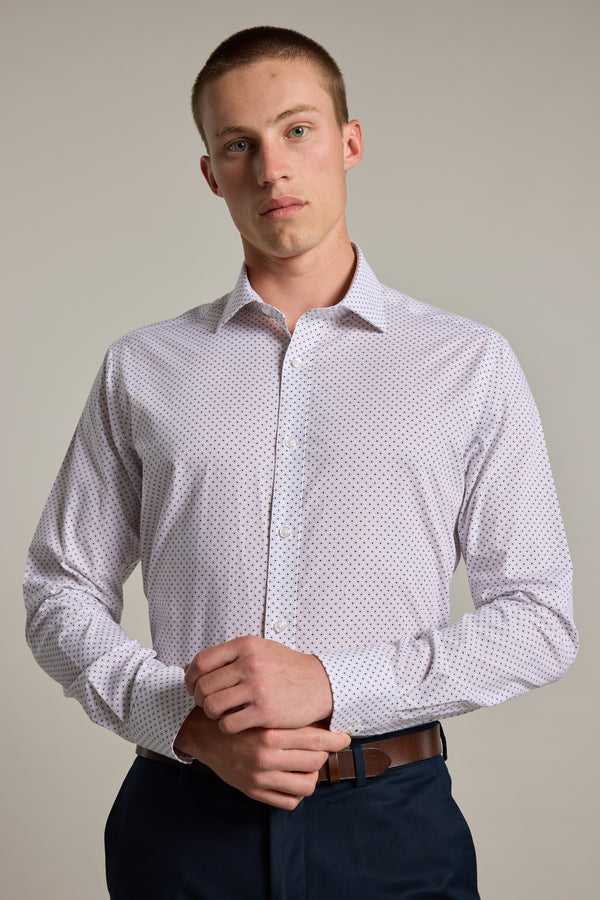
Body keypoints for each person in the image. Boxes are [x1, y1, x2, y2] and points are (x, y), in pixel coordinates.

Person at [24, 25, 577, 900]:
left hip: (392, 829)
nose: (272, 169)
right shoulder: (143, 368)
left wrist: (331, 682)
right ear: (212, 173)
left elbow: (541, 619)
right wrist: (187, 723)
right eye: (238, 144)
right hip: (180, 829)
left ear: (348, 142)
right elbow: (58, 591)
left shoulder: (470, 364)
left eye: (297, 130)